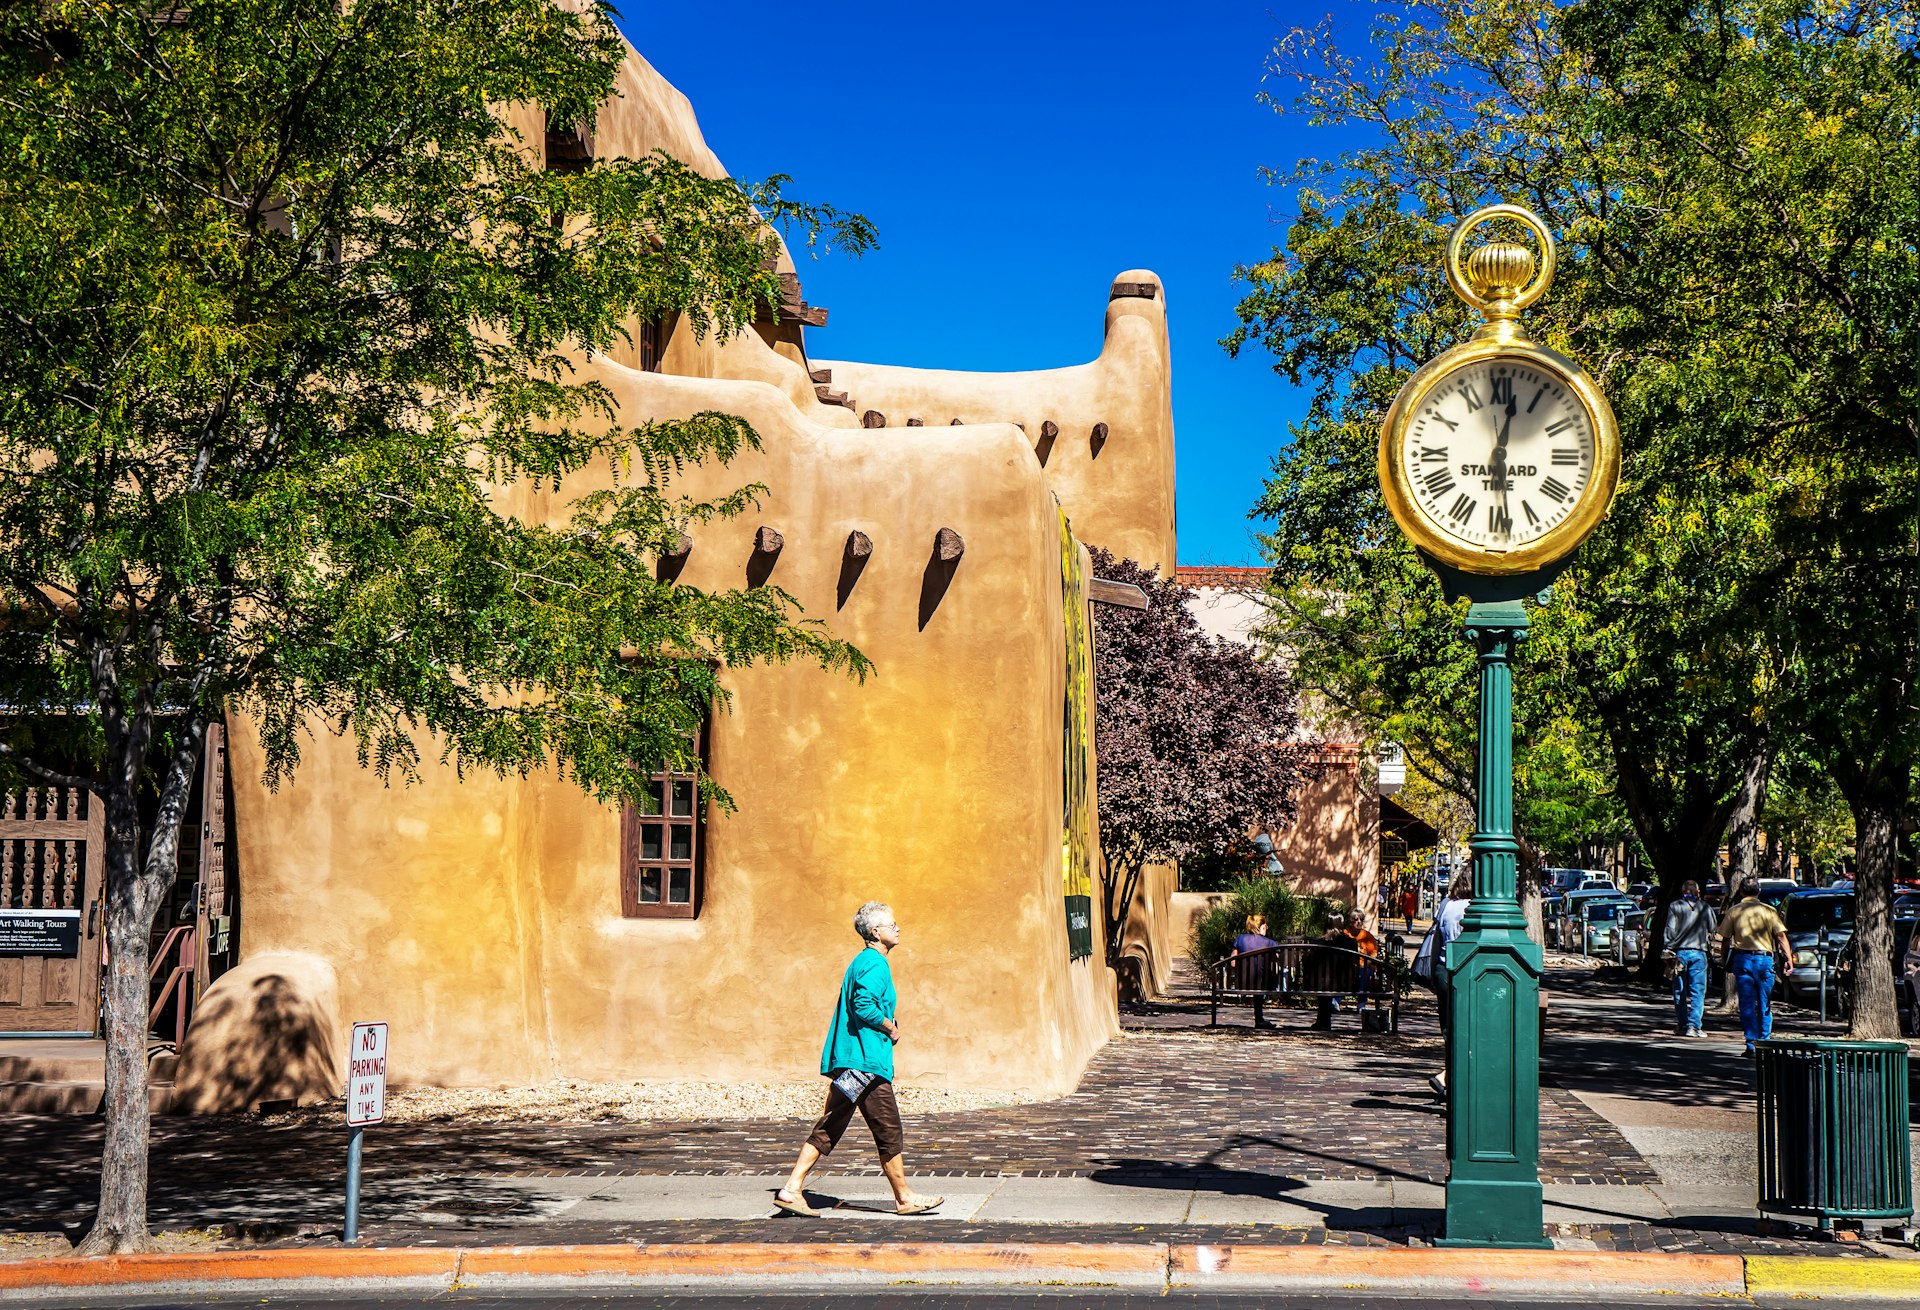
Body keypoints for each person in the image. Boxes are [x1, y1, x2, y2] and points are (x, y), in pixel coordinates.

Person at [775, 901, 944, 1217]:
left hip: (858, 1063)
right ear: (875, 932)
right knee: (887, 1130)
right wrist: (890, 1026)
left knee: (834, 1124)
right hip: (865, 1063)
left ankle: (792, 1189)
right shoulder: (875, 963)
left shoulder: (863, 962)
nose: (898, 929)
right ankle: (904, 1198)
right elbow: (863, 1004)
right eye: (892, 925)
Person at [1716, 878, 1794, 1056]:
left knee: (1747, 1004)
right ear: (1759, 891)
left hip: (1743, 959)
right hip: (1764, 960)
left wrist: (1723, 959)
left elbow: (1725, 939)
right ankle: (1764, 1042)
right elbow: (1781, 937)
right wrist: (1788, 958)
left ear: (1741, 892)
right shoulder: (1768, 911)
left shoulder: (1734, 911)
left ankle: (1751, 1043)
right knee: (1764, 1003)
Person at [1427, 871, 1473, 1098]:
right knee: (1467, 1029)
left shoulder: (1446, 905)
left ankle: (1451, 1080)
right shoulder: (1474, 907)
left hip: (1441, 970)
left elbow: (1438, 939)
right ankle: (1447, 1077)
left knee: (1449, 1030)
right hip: (1463, 972)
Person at [1663, 880, 1712, 1037]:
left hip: (1679, 952)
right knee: (1697, 990)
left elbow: (1670, 929)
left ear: (1682, 890)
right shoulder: (1705, 907)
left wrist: (1668, 947)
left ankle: (1683, 1024)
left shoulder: (1675, 906)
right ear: (1697, 891)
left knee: (1679, 990)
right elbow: (1712, 927)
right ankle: (1694, 1026)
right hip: (1699, 951)